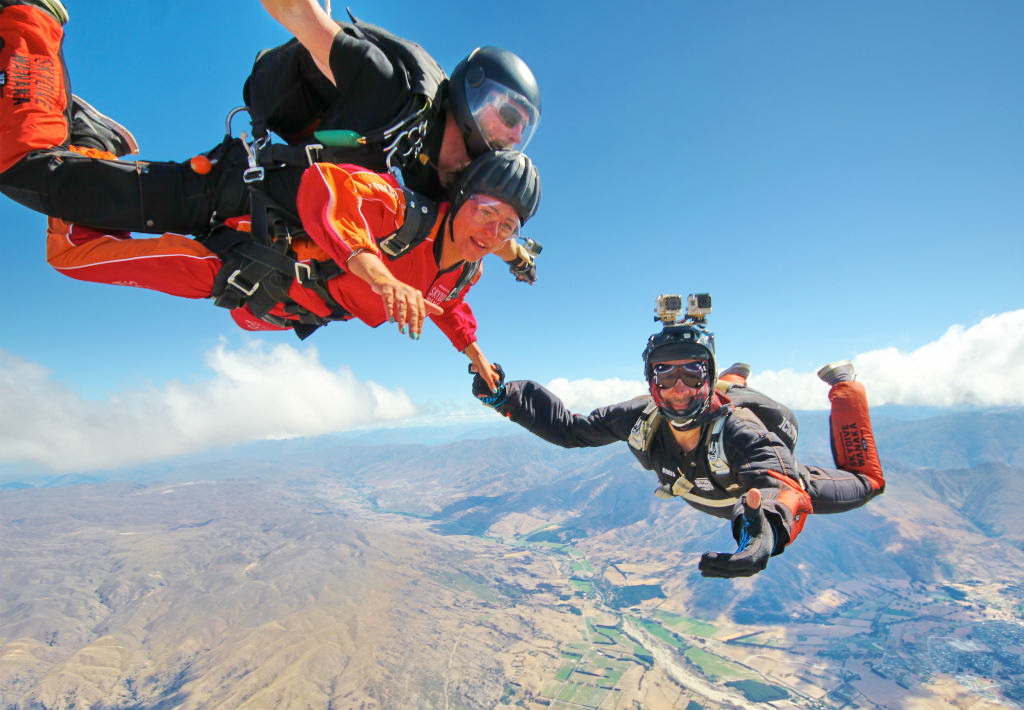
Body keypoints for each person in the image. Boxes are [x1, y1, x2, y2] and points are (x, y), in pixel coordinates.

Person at [0, 0, 542, 281]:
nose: (506, 139)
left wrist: (516, 253)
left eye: (520, 132)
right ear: (469, 96)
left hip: (259, 229)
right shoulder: (385, 86)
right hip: (227, 192)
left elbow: (483, 224)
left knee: (81, 240)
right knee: (26, 172)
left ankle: (95, 140)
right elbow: (295, 14)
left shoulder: (445, 176)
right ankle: (33, 21)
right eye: (505, 115)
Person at [48, 148, 540, 391]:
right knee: (69, 257)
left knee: (239, 314)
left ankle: (95, 161)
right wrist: (379, 274)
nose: (493, 232)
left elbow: (445, 306)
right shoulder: (402, 213)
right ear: (460, 200)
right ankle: (90, 147)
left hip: (277, 304)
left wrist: (476, 356)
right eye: (485, 212)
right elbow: (327, 186)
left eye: (508, 226)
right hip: (249, 266)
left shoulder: (464, 272)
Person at [470, 296, 886, 578]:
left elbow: (777, 484)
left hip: (745, 497)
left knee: (868, 483)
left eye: (693, 373)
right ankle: (732, 375)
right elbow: (570, 430)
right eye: (665, 374)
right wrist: (503, 396)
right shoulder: (638, 418)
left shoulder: (742, 431)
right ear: (650, 381)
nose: (679, 387)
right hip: (714, 479)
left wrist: (764, 532)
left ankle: (845, 385)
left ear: (706, 377)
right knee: (720, 395)